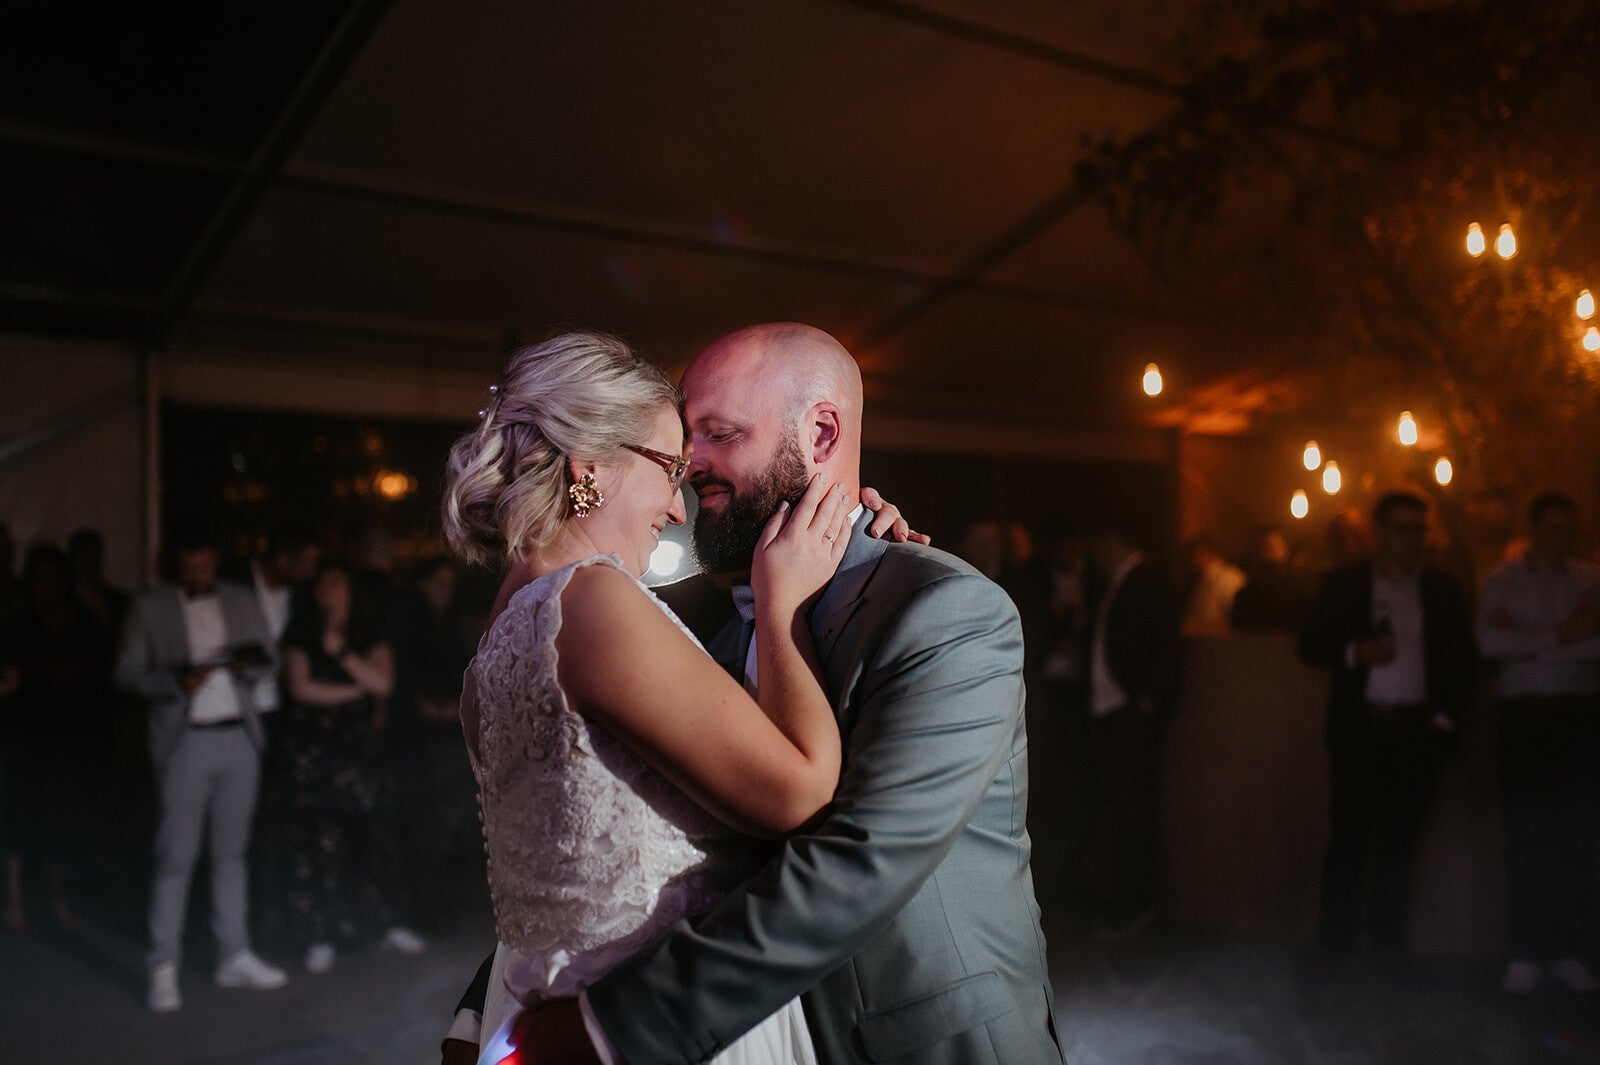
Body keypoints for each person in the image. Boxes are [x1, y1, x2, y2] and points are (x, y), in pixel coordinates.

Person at [459, 323, 1063, 1065]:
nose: (689, 472)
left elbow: (862, 859)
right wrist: (488, 1012)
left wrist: (602, 1025)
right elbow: (572, 847)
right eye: (681, 448)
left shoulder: (941, 608)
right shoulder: (659, 615)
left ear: (821, 434)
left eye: (717, 434)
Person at [442, 330, 858, 1065]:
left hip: (549, 1003)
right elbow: (799, 793)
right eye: (669, 469)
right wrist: (782, 602)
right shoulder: (591, 600)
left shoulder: (498, 635)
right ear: (589, 465)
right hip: (654, 1017)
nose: (676, 507)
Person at [114, 527, 288, 1011]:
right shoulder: (150, 607)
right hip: (185, 741)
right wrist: (175, 680)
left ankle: (233, 954)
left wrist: (246, 666)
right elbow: (126, 672)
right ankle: (163, 965)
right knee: (176, 855)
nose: (199, 576)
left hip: (240, 738)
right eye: (190, 569)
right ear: (175, 566)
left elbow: (268, 661)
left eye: (206, 567)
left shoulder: (239, 598)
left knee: (232, 852)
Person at [1297, 491, 1474, 956]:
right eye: (1402, 529)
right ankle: (1334, 944)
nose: (1412, 539)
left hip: (1416, 733)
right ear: (1380, 533)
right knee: (1348, 839)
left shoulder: (1441, 588)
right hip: (1360, 729)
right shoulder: (1346, 584)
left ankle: (1388, 947)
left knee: (1401, 843)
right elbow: (1309, 644)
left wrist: (1444, 720)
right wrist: (1355, 652)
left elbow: (1461, 659)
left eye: (1419, 530)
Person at [1477, 492, 1600, 994]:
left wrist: (1527, 639)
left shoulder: (1591, 581)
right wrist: (1564, 635)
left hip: (1578, 717)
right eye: (1551, 527)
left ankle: (1568, 951)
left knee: (1577, 836)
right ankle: (1525, 953)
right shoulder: (1501, 581)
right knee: (1525, 835)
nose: (1560, 538)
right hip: (1524, 719)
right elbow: (1489, 643)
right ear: (1533, 527)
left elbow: (1597, 646)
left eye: (1568, 529)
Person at [278, 560, 422, 973]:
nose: (330, 590)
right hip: (315, 751)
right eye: (323, 583)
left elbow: (384, 683)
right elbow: (302, 688)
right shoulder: (300, 631)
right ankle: (321, 934)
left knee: (374, 836)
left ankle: (383, 923)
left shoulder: (367, 631)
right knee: (320, 842)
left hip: (360, 751)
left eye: (337, 582)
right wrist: (356, 689)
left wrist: (340, 653)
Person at [2, 544, 114, 932]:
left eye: (52, 579)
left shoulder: (85, 624)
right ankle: (14, 900)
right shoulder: (19, 627)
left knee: (60, 818)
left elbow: (98, 676)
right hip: (27, 737)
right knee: (21, 818)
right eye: (38, 580)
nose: (46, 588)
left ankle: (56, 898)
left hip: (71, 739)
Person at [1082, 520, 1180, 939]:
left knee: (1133, 812)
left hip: (1130, 712)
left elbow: (1166, 643)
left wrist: (1148, 700)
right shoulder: (1118, 582)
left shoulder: (1147, 580)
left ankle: (1133, 906)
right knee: (1120, 812)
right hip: (1112, 712)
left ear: (1114, 539)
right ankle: (1118, 900)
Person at [1180, 534, 1245, 637]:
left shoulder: (1229, 578)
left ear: (1203, 554)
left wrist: (1198, 628)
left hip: (1221, 643)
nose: (1188, 561)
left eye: (1191, 555)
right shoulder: (1201, 581)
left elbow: (1237, 621)